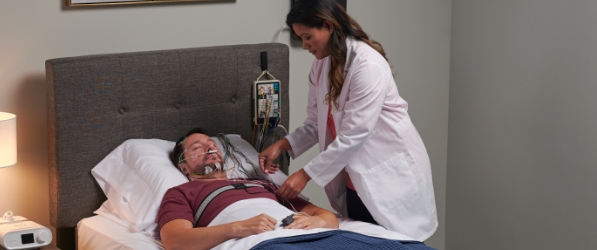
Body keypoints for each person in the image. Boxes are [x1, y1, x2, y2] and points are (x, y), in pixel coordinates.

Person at [258, 0, 438, 241]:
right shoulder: (321, 66)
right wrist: (282, 145)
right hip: (355, 179)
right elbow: (315, 123)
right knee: (363, 241)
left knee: (397, 243)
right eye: (301, 38)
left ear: (328, 26)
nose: (305, 45)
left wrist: (305, 175)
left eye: (308, 36)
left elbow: (355, 135)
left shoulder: (368, 65)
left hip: (389, 176)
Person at [158, 128, 339, 250]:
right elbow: (175, 241)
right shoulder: (181, 193)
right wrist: (238, 228)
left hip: (307, 238)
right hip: (262, 243)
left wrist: (317, 223)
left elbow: (328, 217)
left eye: (212, 144)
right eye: (197, 147)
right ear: (184, 168)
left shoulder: (263, 184)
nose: (210, 147)